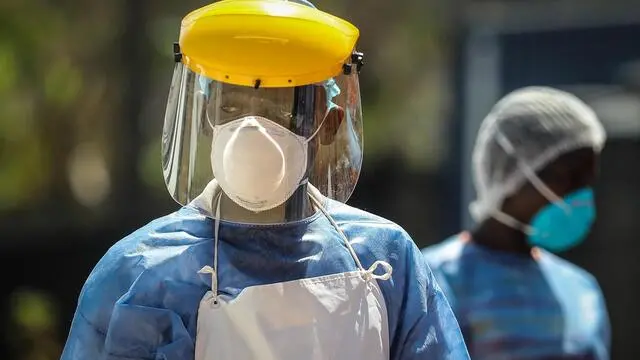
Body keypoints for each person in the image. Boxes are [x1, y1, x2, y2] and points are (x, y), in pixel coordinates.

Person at [61, 0, 470, 359]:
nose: (251, 128)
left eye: (282, 108)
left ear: (328, 125)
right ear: (207, 115)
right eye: (233, 105)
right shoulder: (139, 272)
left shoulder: (384, 259)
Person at [422, 86, 611, 359]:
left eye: (587, 183)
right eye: (569, 179)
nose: (580, 197)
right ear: (514, 172)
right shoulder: (434, 281)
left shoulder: (582, 291)